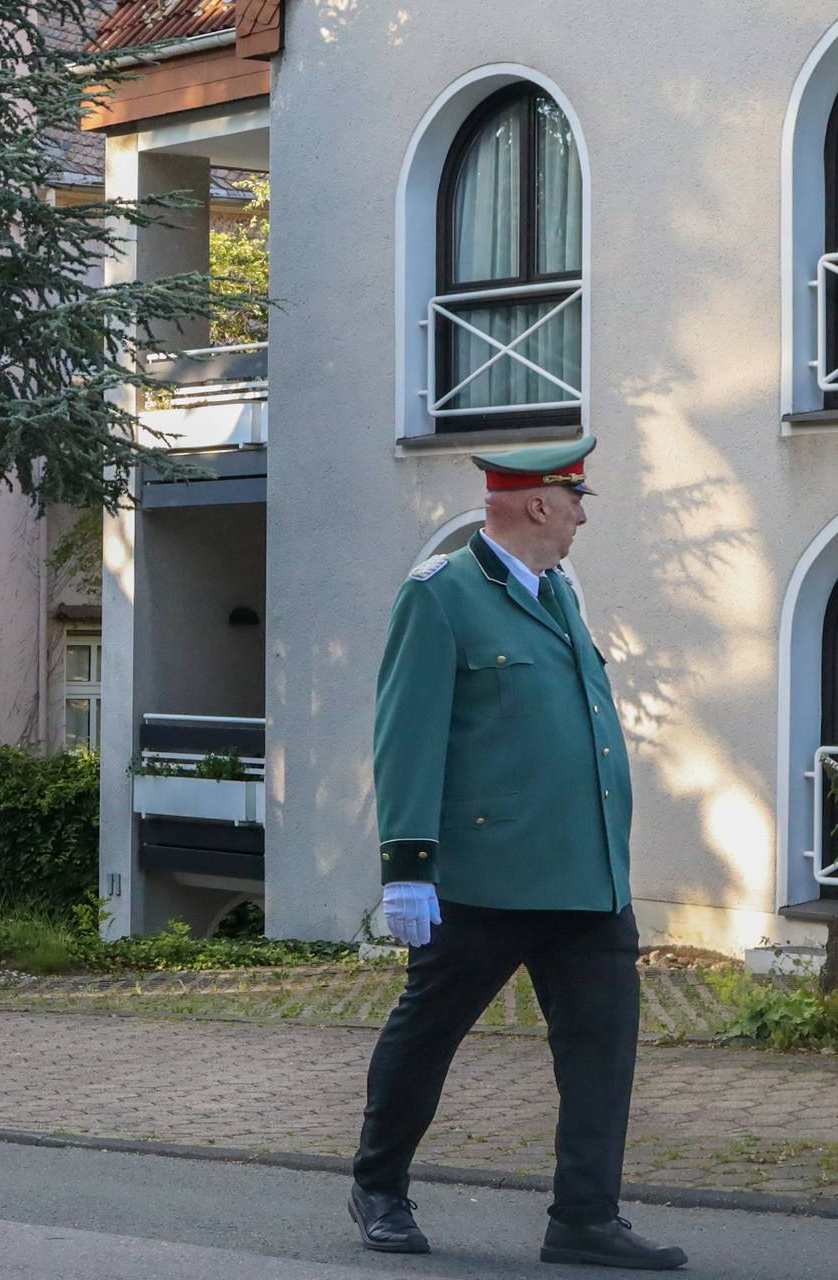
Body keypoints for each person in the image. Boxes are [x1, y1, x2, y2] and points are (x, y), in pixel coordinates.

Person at [349, 438, 685, 1270]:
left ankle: (584, 1220)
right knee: (428, 1034)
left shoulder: (559, 594)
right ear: (538, 504)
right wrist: (407, 867)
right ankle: (380, 1188)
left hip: (588, 876)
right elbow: (407, 736)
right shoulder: (442, 596)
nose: (580, 516)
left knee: (602, 1055)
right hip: (485, 882)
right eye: (576, 500)